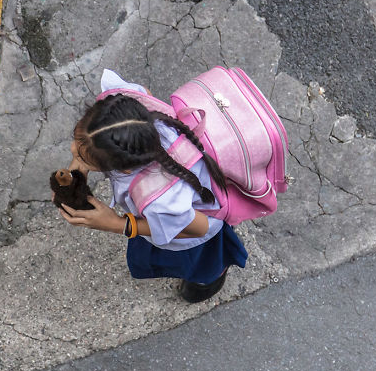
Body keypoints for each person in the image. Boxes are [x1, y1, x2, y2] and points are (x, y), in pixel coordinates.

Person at [56, 69, 248, 303]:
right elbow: (144, 92)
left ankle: (210, 280)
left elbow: (199, 228)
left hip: (193, 229)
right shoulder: (128, 111)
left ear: (124, 169)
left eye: (83, 156)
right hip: (179, 206)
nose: (72, 153)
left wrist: (119, 224)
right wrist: (81, 166)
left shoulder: (161, 199)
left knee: (201, 263)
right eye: (76, 144)